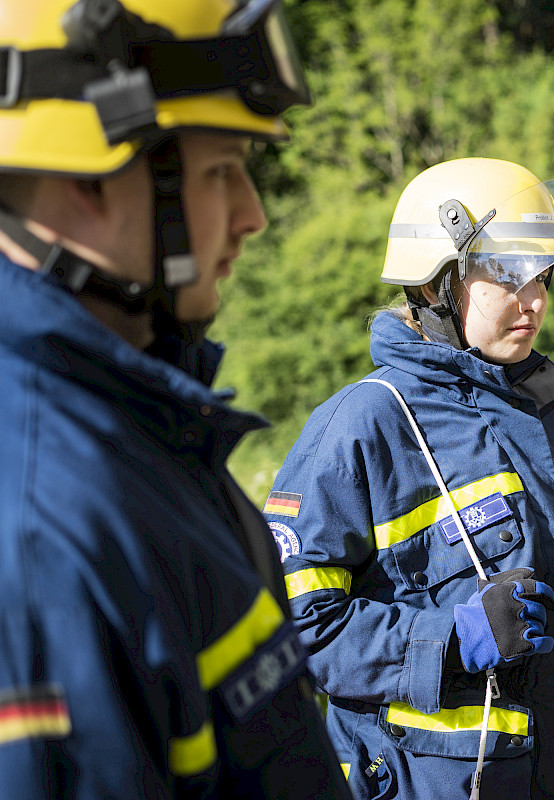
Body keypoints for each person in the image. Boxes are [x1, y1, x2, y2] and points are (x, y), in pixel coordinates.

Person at [0, 0, 350, 797]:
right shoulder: (38, 537)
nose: (253, 215)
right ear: (88, 180)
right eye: (222, 170)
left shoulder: (135, 425)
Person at [263, 157, 554, 799]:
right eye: (508, 273)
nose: (534, 300)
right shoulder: (368, 422)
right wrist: (449, 639)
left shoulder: (543, 415)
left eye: (543, 275)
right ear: (434, 284)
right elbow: (295, 624)